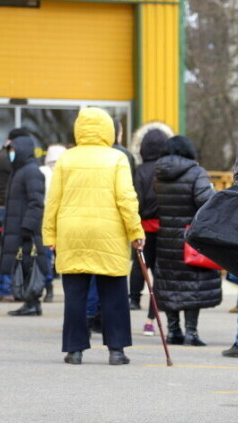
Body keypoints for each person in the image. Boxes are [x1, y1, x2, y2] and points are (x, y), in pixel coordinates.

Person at [43, 107, 144, 365]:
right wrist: (135, 231)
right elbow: (126, 199)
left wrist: (49, 236)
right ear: (108, 129)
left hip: (72, 232)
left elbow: (53, 200)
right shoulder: (117, 158)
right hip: (108, 232)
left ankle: (74, 350)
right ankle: (117, 350)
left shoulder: (66, 159)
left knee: (75, 294)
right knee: (113, 293)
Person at [153, 135, 221, 346]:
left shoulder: (158, 174)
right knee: (193, 284)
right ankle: (191, 332)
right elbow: (206, 202)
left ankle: (174, 331)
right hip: (190, 238)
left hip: (165, 238)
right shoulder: (196, 172)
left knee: (169, 283)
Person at [0, 136, 48, 316]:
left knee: (30, 265)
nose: (11, 154)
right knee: (22, 265)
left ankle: (33, 302)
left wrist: (28, 226)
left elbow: (36, 202)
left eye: (14, 150)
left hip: (27, 231)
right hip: (18, 229)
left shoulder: (31, 172)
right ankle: (30, 301)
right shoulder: (19, 171)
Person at [129, 125, 171, 328]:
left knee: (140, 266)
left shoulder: (140, 171)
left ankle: (134, 298)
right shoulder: (167, 168)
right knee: (159, 272)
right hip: (164, 227)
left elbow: (135, 198)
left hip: (143, 227)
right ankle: (151, 317)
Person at [0, 127, 29, 302]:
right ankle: (5, 287)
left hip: (6, 205)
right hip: (9, 207)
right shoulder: (7, 157)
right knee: (11, 249)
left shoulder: (1, 155)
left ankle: (6, 287)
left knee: (9, 249)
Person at [39, 144, 65, 303]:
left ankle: (48, 286)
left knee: (45, 254)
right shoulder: (67, 173)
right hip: (63, 220)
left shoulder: (41, 172)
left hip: (45, 219)